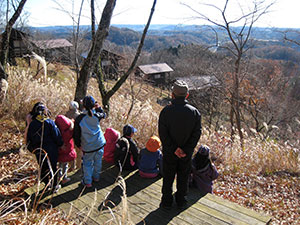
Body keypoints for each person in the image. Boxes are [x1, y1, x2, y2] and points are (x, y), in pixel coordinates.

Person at [158, 80, 202, 209]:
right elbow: (196, 134)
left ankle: (166, 201)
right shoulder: (194, 112)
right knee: (183, 177)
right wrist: (186, 150)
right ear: (187, 95)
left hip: (169, 153)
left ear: (172, 95)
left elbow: (163, 134)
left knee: (168, 177)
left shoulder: (166, 112)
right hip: (186, 154)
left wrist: (173, 149)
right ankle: (181, 201)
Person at [26, 102, 63, 192]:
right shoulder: (49, 122)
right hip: (51, 149)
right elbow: (56, 135)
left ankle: (47, 184)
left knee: (43, 167)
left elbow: (29, 138)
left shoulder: (32, 124)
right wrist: (60, 144)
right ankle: (54, 186)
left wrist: (32, 149)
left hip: (39, 150)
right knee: (53, 167)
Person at [73, 95, 106, 188]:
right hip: (99, 143)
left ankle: (88, 182)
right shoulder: (96, 115)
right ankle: (96, 177)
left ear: (83, 105)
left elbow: (76, 134)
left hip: (88, 146)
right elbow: (104, 114)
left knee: (87, 164)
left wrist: (78, 144)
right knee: (98, 161)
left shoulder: (79, 119)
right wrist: (98, 107)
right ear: (93, 105)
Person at [55, 115, 77, 184]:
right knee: (65, 164)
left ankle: (59, 177)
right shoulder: (69, 131)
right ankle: (64, 178)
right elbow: (73, 124)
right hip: (68, 150)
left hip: (59, 150)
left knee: (60, 165)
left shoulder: (57, 131)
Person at [65, 100, 81, 170]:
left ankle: (72, 166)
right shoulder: (79, 115)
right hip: (78, 136)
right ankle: (79, 166)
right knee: (79, 151)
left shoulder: (66, 115)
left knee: (71, 151)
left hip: (69, 136)